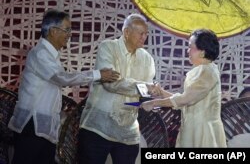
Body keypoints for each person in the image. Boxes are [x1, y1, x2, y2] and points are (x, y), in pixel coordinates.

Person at [8, 9, 120, 164]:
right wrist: (97, 74)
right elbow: (61, 78)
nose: (69, 34)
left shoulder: (51, 55)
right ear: (53, 31)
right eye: (67, 29)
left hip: (43, 126)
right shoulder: (40, 54)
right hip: (31, 124)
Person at [78, 13, 155, 164]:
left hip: (128, 131)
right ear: (126, 32)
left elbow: (145, 92)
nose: (144, 37)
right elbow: (110, 82)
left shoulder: (147, 58)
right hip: (98, 126)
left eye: (146, 34)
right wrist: (143, 87)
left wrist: (150, 96)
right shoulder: (108, 47)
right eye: (141, 33)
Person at [141, 29, 227, 147]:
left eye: (190, 47)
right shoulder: (202, 70)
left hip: (203, 133)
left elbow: (186, 99)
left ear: (202, 52)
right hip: (192, 129)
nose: (187, 51)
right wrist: (161, 93)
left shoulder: (208, 72)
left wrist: (155, 102)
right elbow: (185, 101)